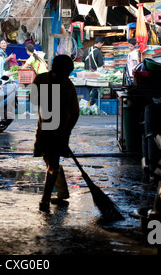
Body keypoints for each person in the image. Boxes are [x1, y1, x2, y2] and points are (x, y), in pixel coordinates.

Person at [31, 54, 80, 212]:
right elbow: (33, 100)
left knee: (52, 163)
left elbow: (75, 112)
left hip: (60, 132)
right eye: (64, 73)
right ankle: (62, 192)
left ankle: (45, 200)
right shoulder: (40, 79)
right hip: (44, 129)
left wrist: (67, 132)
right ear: (56, 70)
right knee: (49, 161)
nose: (66, 77)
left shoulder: (68, 86)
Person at [82, 37, 105, 105]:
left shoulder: (87, 50)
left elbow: (83, 60)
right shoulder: (98, 52)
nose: (101, 46)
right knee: (95, 88)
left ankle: (86, 103)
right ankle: (92, 104)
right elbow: (100, 63)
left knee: (87, 88)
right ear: (99, 43)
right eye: (102, 44)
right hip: (94, 73)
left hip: (86, 72)